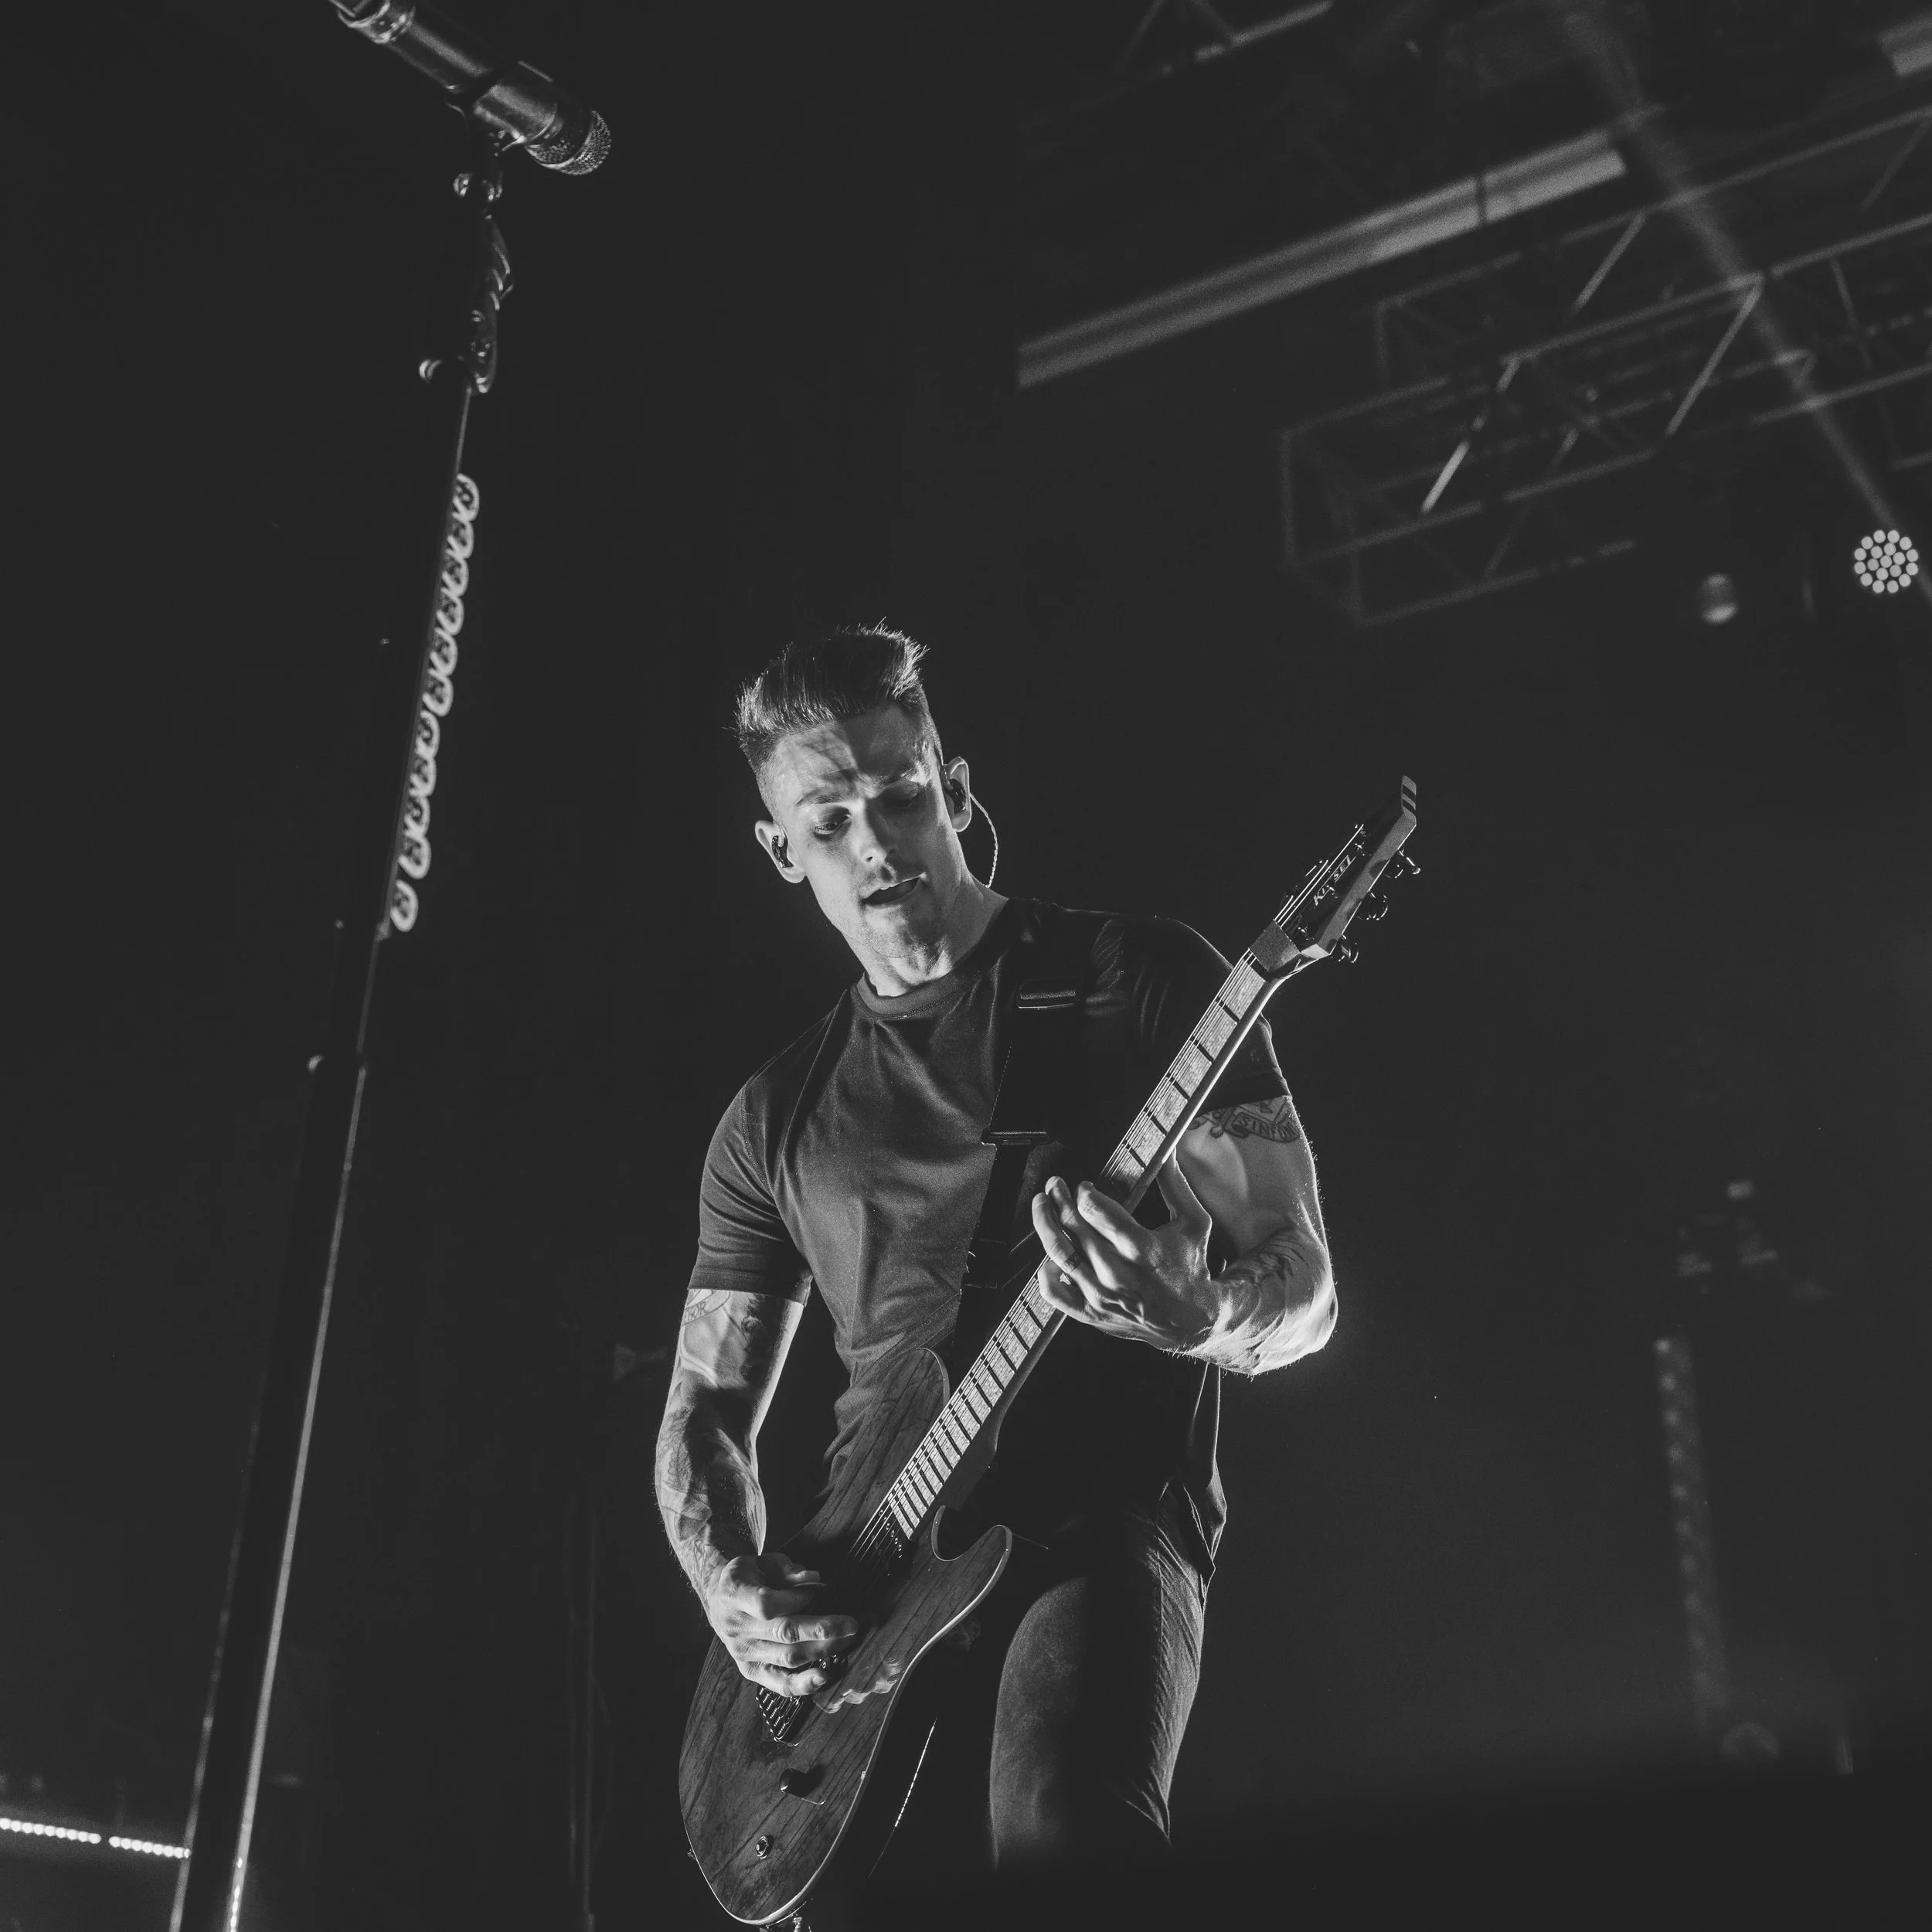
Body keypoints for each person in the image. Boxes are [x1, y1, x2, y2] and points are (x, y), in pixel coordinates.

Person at [656, 625, 1335, 1902]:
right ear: (781, 850)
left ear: (957, 791)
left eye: (902, 795)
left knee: (1071, 1837)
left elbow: (1307, 1290)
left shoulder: (1140, 979)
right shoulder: (772, 1118)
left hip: (1099, 1518)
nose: (875, 842)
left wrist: (1193, 1313)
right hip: (868, 1579)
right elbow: (704, 1412)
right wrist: (726, 1583)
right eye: (829, 820)